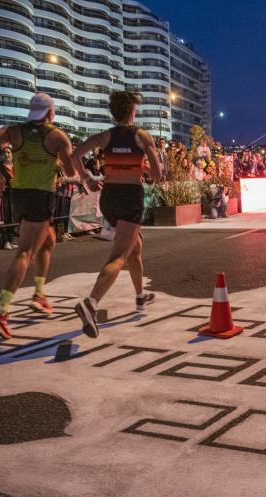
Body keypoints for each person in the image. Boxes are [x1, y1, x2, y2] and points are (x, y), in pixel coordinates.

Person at [0, 92, 79, 339]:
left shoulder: (14, 131)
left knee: (49, 240)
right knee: (25, 251)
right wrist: (56, 163)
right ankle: (1, 308)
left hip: (20, 194)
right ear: (50, 113)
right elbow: (70, 169)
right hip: (41, 197)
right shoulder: (57, 136)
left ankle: (40, 294)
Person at [72, 91, 163, 338]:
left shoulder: (106, 136)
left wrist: (87, 178)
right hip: (130, 196)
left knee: (136, 246)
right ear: (132, 110)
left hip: (109, 196)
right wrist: (143, 168)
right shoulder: (142, 136)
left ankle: (140, 295)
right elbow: (157, 175)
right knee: (120, 255)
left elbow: (74, 155)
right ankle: (91, 303)